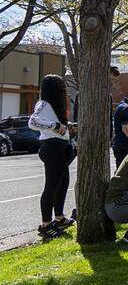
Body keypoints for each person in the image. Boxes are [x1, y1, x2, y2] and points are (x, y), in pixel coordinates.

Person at [28, 74, 76, 239]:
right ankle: (46, 224)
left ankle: (60, 218)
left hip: (60, 147)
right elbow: (32, 122)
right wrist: (54, 125)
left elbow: (55, 125)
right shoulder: (43, 103)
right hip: (52, 148)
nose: (63, 90)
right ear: (53, 89)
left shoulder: (54, 106)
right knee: (51, 187)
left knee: (63, 184)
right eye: (60, 87)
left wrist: (66, 126)